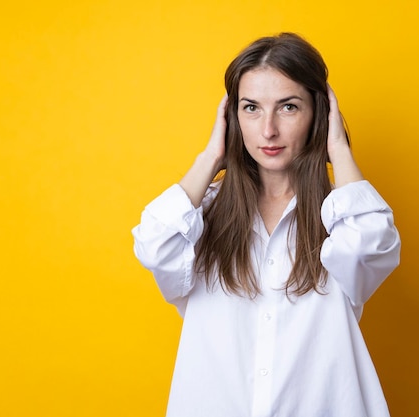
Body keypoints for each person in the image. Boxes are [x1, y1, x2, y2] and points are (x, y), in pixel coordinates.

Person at [132, 32, 401, 417]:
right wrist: (211, 156)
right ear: (232, 117)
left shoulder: (341, 217)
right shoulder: (199, 218)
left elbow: (371, 247)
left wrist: (338, 149)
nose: (268, 129)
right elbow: (153, 246)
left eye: (289, 107)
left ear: (318, 115)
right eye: (251, 108)